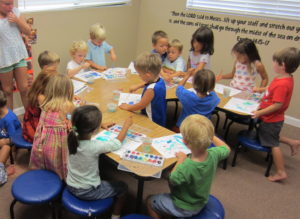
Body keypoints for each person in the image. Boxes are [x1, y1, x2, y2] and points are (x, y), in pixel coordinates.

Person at [147, 114, 230, 219]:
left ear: (185, 141)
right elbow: (226, 148)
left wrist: (181, 159)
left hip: (184, 207)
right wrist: (210, 135)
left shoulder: (187, 166)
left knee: (150, 201)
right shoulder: (214, 154)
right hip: (200, 201)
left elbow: (172, 179)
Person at [67, 105, 132, 219]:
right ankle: (115, 216)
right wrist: (126, 126)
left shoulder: (71, 136)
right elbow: (117, 143)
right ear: (95, 130)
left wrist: (99, 126)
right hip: (87, 191)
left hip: (71, 184)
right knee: (123, 187)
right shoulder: (94, 146)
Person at [252, 47, 300, 182]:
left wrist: (259, 112)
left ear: (282, 65)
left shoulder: (283, 84)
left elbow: (277, 104)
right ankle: (292, 142)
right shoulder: (283, 78)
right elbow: (270, 89)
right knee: (270, 136)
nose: (272, 63)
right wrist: (260, 89)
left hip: (272, 119)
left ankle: (281, 171)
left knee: (273, 144)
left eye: (275, 62)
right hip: (272, 119)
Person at [29, 74, 74, 179]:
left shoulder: (45, 102)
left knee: (48, 162)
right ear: (68, 90)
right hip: (56, 144)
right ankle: (60, 179)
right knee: (58, 161)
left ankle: (45, 175)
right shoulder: (68, 105)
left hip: (42, 142)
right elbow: (70, 120)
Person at [119, 52, 166, 127]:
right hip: (160, 116)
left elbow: (141, 105)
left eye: (140, 74)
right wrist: (138, 86)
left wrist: (127, 107)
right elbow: (149, 83)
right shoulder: (160, 80)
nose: (139, 76)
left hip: (152, 121)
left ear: (148, 75)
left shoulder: (151, 90)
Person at [0, 0, 32, 109]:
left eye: (12, 3)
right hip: (4, 59)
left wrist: (17, 21)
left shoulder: (16, 12)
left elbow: (28, 31)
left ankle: (29, 119)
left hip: (19, 55)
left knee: (24, 88)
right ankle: (11, 121)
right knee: (7, 91)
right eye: (6, 4)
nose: (10, 7)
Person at [22, 71, 55, 143]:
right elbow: (50, 112)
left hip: (40, 121)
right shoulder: (41, 97)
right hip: (36, 127)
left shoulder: (40, 92)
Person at [0, 90, 22, 185]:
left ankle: (3, 170)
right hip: (3, 138)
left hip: (9, 141)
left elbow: (14, 138)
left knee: (6, 147)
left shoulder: (9, 119)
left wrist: (4, 142)